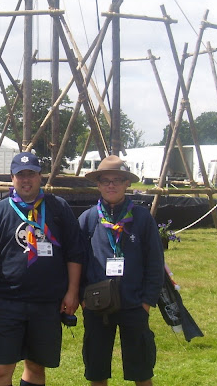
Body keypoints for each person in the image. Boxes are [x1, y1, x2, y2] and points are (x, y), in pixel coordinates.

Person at [0, 152, 84, 386]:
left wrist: (72, 292)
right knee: (1, 370)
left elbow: (74, 253)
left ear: (40, 177)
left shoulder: (58, 208)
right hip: (6, 303)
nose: (26, 180)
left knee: (36, 368)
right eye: (21, 175)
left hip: (47, 303)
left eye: (31, 174)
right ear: (12, 178)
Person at [79, 156, 164, 386]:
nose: (111, 185)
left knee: (141, 372)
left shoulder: (142, 218)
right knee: (96, 372)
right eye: (105, 181)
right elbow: (76, 263)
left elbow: (155, 263)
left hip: (134, 305)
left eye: (117, 180)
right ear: (98, 184)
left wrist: (146, 302)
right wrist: (82, 300)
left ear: (127, 183)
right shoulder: (88, 219)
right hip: (97, 306)